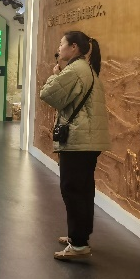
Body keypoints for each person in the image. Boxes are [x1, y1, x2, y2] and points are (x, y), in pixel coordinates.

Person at [39, 30, 110, 261]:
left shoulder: (75, 70)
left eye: (62, 44)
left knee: (73, 191)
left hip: (79, 141)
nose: (59, 48)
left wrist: (55, 75)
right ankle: (79, 237)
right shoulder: (86, 68)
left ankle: (78, 245)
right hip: (88, 140)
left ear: (74, 48)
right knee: (83, 190)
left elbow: (48, 94)